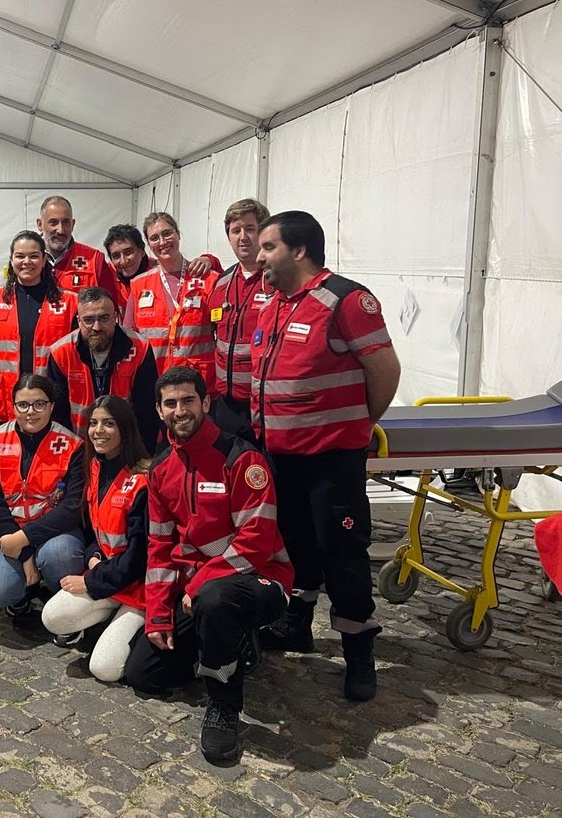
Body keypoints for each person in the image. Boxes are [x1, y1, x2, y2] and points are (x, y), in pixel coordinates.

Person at [251, 210, 401, 702]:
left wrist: (357, 424)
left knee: (343, 557)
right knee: (295, 546)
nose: (259, 256)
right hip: (282, 456)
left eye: (268, 247)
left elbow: (384, 368)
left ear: (298, 250)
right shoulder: (274, 302)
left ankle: (360, 656)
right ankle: (298, 625)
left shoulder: (345, 300)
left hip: (331, 461)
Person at [124, 367, 292, 765]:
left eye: (187, 400)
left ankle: (224, 707)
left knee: (216, 600)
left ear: (206, 403)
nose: (180, 410)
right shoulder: (162, 470)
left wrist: (200, 583)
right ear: (159, 410)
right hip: (199, 593)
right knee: (144, 675)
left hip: (262, 580)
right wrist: (159, 617)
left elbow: (257, 541)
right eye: (171, 403)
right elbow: (160, 548)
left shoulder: (243, 458)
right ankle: (227, 644)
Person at [41, 395, 149, 682]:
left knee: (104, 670)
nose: (98, 431)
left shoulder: (143, 480)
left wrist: (89, 581)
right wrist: (94, 554)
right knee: (51, 618)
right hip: (107, 575)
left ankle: (134, 629)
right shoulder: (94, 467)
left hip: (139, 587)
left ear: (125, 429)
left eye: (108, 424)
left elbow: (141, 557)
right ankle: (106, 622)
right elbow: (93, 530)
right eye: (93, 423)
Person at [0, 374, 85, 617]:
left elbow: (73, 507)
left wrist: (24, 538)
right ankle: (20, 597)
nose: (30, 412)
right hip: (6, 531)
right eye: (22, 404)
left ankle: (63, 609)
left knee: (61, 556)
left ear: (52, 406)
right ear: (13, 406)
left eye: (39, 404)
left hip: (55, 530)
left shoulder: (73, 445)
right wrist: (23, 552)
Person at [42, 286, 160, 452]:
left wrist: (141, 455)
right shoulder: (61, 352)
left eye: (104, 318)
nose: (96, 327)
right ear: (78, 320)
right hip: (79, 448)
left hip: (127, 448)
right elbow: (58, 415)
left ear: (115, 317)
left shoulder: (139, 348)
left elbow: (147, 412)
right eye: (89, 320)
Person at [0, 231, 77, 426]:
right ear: (11, 260)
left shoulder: (69, 302)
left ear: (44, 260)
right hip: (4, 401)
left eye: (34, 256)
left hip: (51, 401)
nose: (27, 262)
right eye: (20, 256)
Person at [207, 198, 272, 442]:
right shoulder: (221, 283)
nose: (242, 237)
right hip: (225, 405)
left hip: (264, 404)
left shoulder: (277, 282)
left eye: (250, 229)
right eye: (235, 231)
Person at [125, 213, 220, 376]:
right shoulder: (139, 285)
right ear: (148, 244)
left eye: (167, 233)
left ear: (178, 234)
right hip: (155, 381)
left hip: (198, 383)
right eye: (154, 238)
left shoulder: (209, 280)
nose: (162, 242)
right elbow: (129, 338)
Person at [36, 195, 125, 309]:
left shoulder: (94, 260)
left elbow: (111, 308)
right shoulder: (27, 261)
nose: (61, 230)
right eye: (53, 223)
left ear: (73, 224)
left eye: (66, 222)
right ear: (40, 224)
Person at [104, 224, 151, 294]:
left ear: (142, 250)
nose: (123, 261)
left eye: (128, 252)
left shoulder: (160, 274)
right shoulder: (106, 276)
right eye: (116, 256)